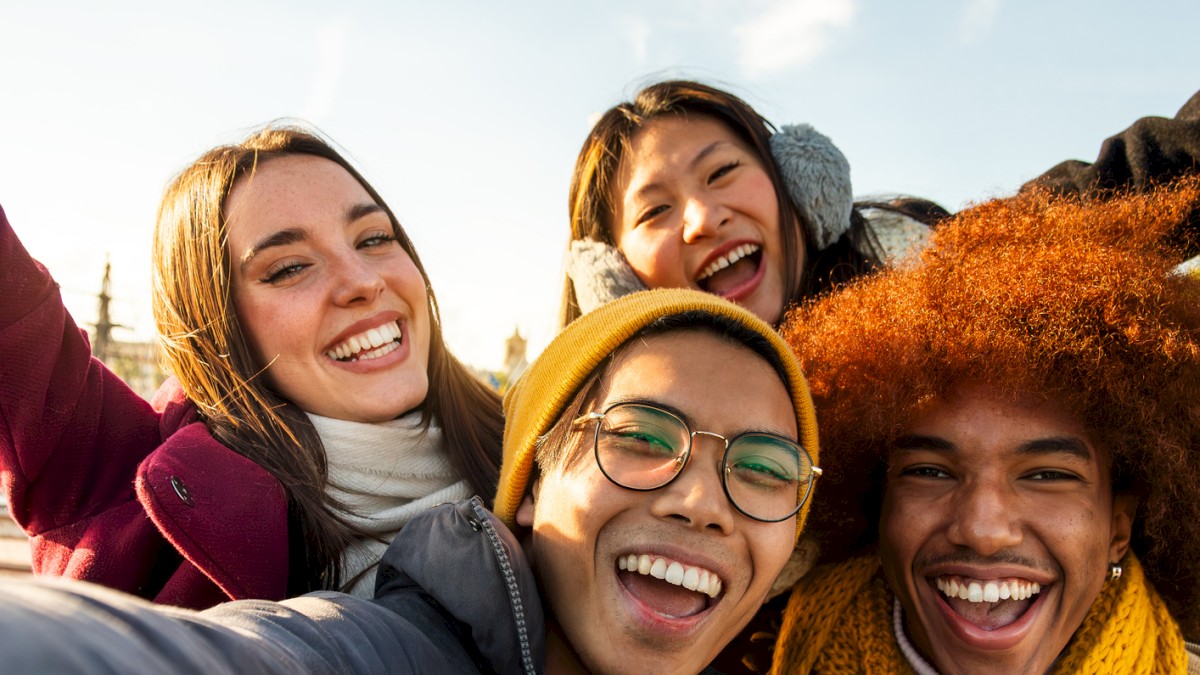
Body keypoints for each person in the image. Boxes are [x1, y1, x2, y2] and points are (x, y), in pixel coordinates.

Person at [0, 289, 822, 675]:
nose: (702, 501)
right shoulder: (403, 647)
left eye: (763, 468)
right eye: (642, 436)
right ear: (531, 480)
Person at [0, 125, 503, 608]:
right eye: (289, 268)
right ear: (217, 326)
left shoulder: (549, 455)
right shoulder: (119, 483)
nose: (362, 280)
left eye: (373, 238)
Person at [754, 179, 1200, 672]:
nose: (983, 531)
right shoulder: (766, 651)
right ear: (879, 507)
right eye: (930, 471)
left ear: (1119, 527)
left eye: (1047, 474)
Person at [561, 78, 950, 328]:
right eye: (656, 211)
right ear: (614, 283)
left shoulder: (934, 265)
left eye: (721, 172)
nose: (704, 220)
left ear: (793, 177)